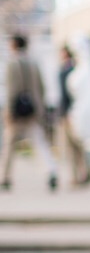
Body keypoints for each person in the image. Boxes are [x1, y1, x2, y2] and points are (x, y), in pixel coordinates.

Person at [1, 34, 59, 191]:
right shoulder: (34, 63)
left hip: (16, 113)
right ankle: (50, 171)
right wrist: (40, 108)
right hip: (33, 111)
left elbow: (11, 90)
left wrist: (9, 112)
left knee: (9, 145)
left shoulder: (12, 64)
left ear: (14, 45)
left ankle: (4, 177)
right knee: (39, 143)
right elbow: (41, 88)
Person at [57, 43, 90, 186]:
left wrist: (65, 113)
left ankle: (78, 176)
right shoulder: (76, 69)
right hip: (73, 113)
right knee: (78, 145)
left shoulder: (69, 71)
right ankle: (84, 172)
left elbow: (66, 96)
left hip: (70, 114)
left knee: (73, 146)